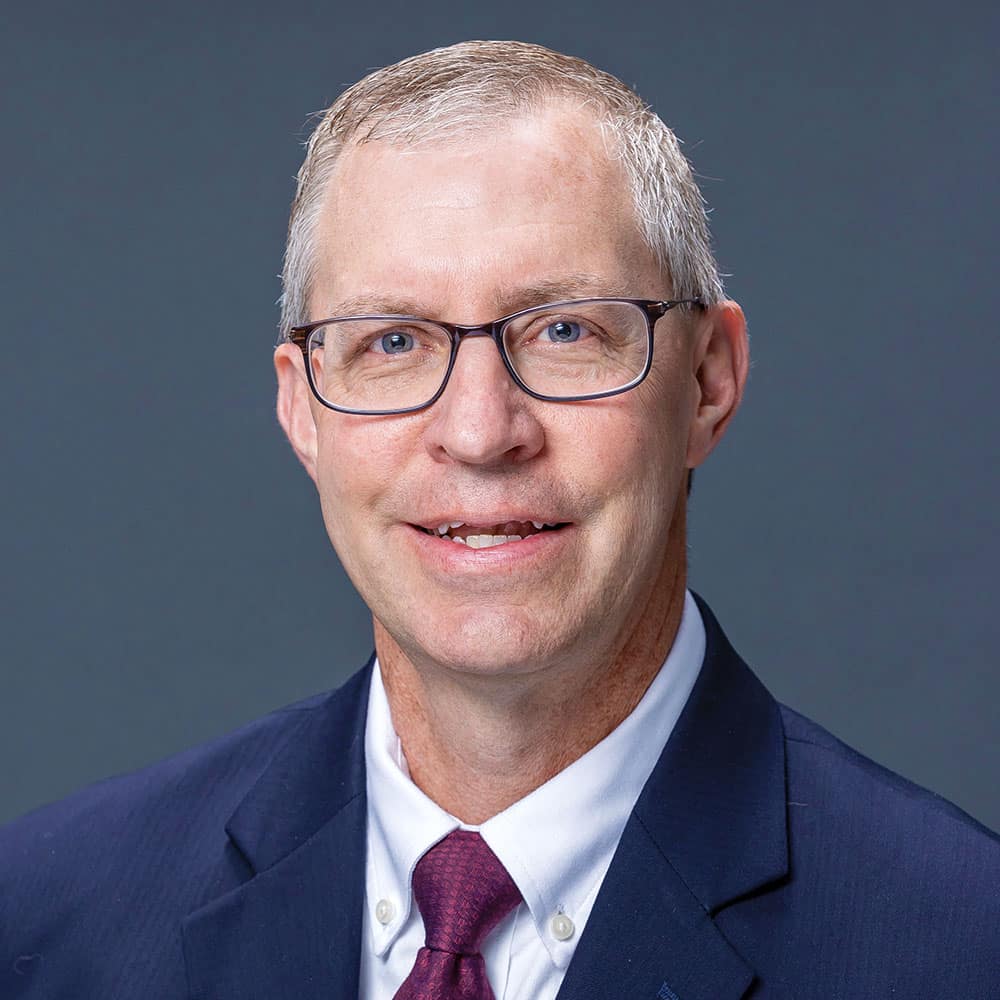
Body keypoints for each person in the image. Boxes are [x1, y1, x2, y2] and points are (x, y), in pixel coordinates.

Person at [1, 39, 997, 1000]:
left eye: (565, 330)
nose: (479, 431)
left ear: (706, 381)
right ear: (302, 408)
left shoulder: (959, 944)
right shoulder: (46, 924)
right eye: (391, 340)